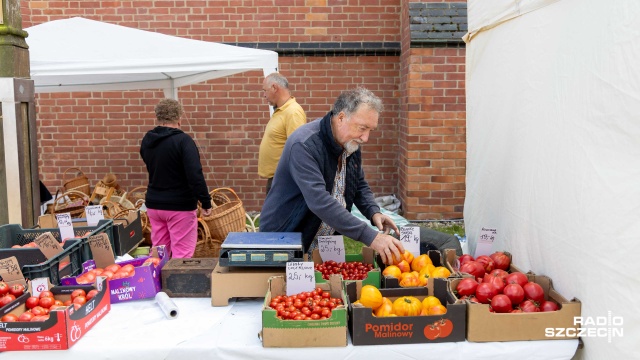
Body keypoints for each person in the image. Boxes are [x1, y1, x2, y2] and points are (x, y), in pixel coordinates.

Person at [259, 87, 405, 264]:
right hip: (287, 237)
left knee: (323, 287)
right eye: (362, 128)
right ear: (341, 117)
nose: (365, 138)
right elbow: (319, 201)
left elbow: (358, 184)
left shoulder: (350, 143)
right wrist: (370, 237)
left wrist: (373, 212)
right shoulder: (304, 145)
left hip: (321, 238)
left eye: (370, 130)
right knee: (289, 290)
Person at [140, 99, 213, 258]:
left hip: (154, 205)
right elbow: (195, 174)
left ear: (157, 117)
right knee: (182, 255)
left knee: (159, 254)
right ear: (179, 117)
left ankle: (157, 282)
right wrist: (205, 201)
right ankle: (175, 283)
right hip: (180, 206)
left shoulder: (147, 140)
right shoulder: (183, 141)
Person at [258, 72, 307, 195]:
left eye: (265, 90)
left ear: (274, 88)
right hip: (278, 179)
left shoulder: (292, 112)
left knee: (276, 214)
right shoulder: (281, 110)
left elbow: (298, 150)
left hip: (285, 181)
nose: (264, 95)